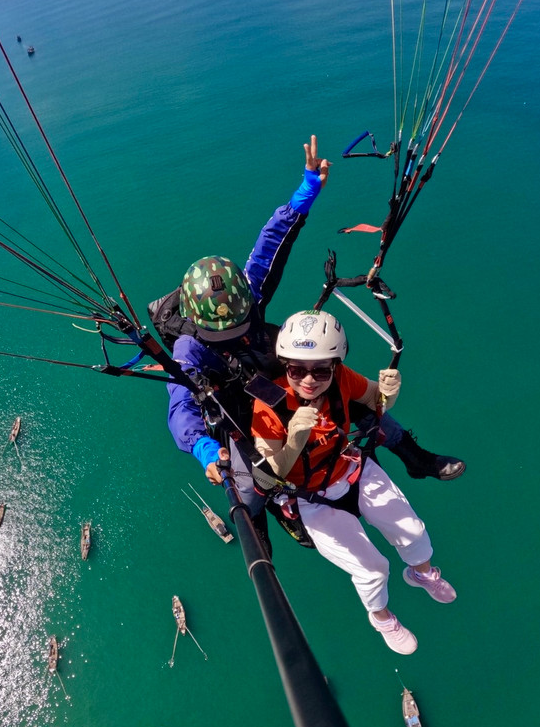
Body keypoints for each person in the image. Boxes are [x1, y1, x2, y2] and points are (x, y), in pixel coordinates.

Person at [164, 138, 464, 544]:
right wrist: (202, 448)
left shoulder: (247, 296)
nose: (233, 335)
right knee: (248, 478)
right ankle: (256, 525)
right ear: (198, 327)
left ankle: (413, 456)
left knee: (354, 401)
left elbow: (270, 246)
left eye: (238, 326)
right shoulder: (187, 349)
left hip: (271, 368)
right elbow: (180, 407)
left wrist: (307, 188)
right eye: (223, 336)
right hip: (234, 399)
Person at [251, 309, 456, 654]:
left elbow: (375, 401)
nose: (308, 380)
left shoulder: (343, 379)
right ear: (285, 365)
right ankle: (381, 617)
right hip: (311, 497)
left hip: (351, 469)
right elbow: (268, 476)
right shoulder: (268, 406)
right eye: (296, 369)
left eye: (320, 370)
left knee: (414, 532)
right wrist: (293, 442)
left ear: (335, 365)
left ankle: (421, 573)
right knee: (373, 569)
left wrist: (390, 392)